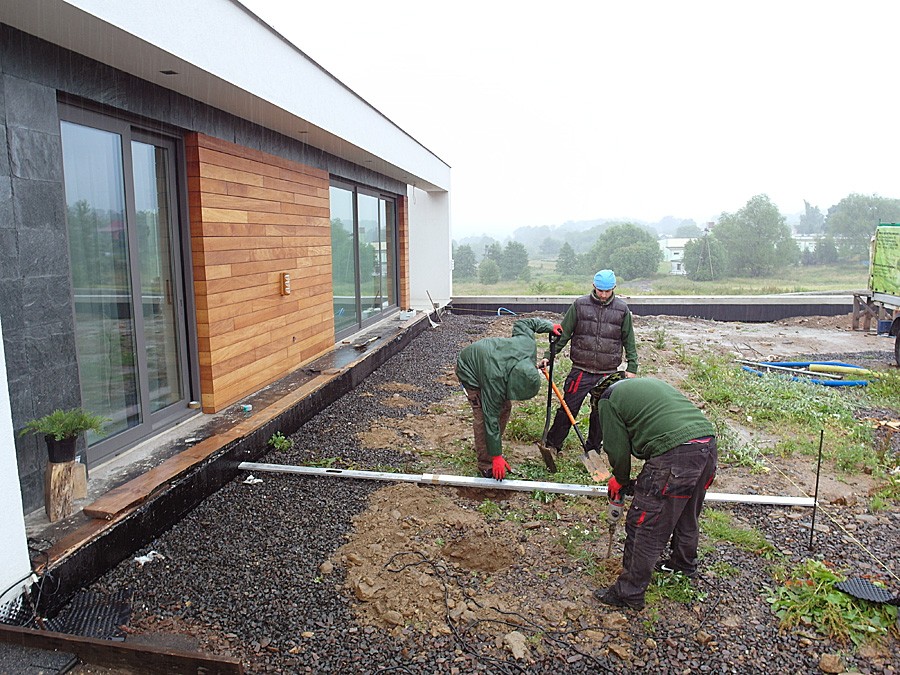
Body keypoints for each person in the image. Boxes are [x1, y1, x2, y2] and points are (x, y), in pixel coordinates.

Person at [591, 377, 717, 610]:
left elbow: (617, 448)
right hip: (707, 444)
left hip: (676, 453)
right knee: (686, 511)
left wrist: (619, 479)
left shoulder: (607, 401)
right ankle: (683, 564)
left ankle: (628, 593)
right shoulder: (644, 387)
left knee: (644, 523)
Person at [538, 269, 638, 463]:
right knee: (568, 408)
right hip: (581, 369)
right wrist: (548, 356)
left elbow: (629, 339)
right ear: (594, 287)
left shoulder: (622, 309)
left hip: (607, 372)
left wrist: (632, 366)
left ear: (614, 289)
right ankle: (553, 444)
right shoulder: (580, 305)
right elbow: (564, 333)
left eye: (607, 291)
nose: (603, 294)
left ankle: (593, 449)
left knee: (601, 412)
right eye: (600, 290)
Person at [456, 317, 561, 480]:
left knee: (505, 407)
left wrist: (549, 326)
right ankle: (486, 462)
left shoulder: (528, 346)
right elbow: (490, 416)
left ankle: (491, 445)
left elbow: (525, 323)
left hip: (493, 359)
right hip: (470, 368)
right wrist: (496, 457)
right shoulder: (494, 380)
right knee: (483, 416)